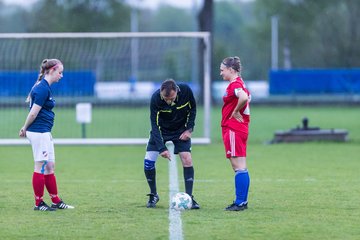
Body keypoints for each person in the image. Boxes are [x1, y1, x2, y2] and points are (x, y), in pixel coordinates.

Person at [19, 59, 74, 211]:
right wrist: (24, 128)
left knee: (50, 166)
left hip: (45, 132)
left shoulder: (45, 87)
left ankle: (56, 200)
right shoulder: (42, 88)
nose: (61, 76)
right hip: (39, 132)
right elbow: (33, 113)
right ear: (51, 71)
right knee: (40, 166)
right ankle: (38, 203)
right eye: (60, 72)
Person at [143, 78, 200, 209]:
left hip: (180, 131)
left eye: (172, 98)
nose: (169, 101)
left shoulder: (186, 90)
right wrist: (161, 148)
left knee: (187, 160)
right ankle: (153, 194)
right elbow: (154, 124)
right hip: (161, 131)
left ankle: (189, 197)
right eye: (165, 98)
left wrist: (189, 129)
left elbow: (193, 109)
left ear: (177, 91)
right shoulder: (156, 98)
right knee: (148, 161)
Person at [219, 56, 251, 211]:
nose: (221, 73)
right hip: (239, 128)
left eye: (222, 70)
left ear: (231, 70)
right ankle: (241, 202)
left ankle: (240, 202)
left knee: (237, 166)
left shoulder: (235, 84)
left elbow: (244, 97)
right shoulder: (239, 83)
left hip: (233, 129)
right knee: (241, 166)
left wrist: (235, 111)